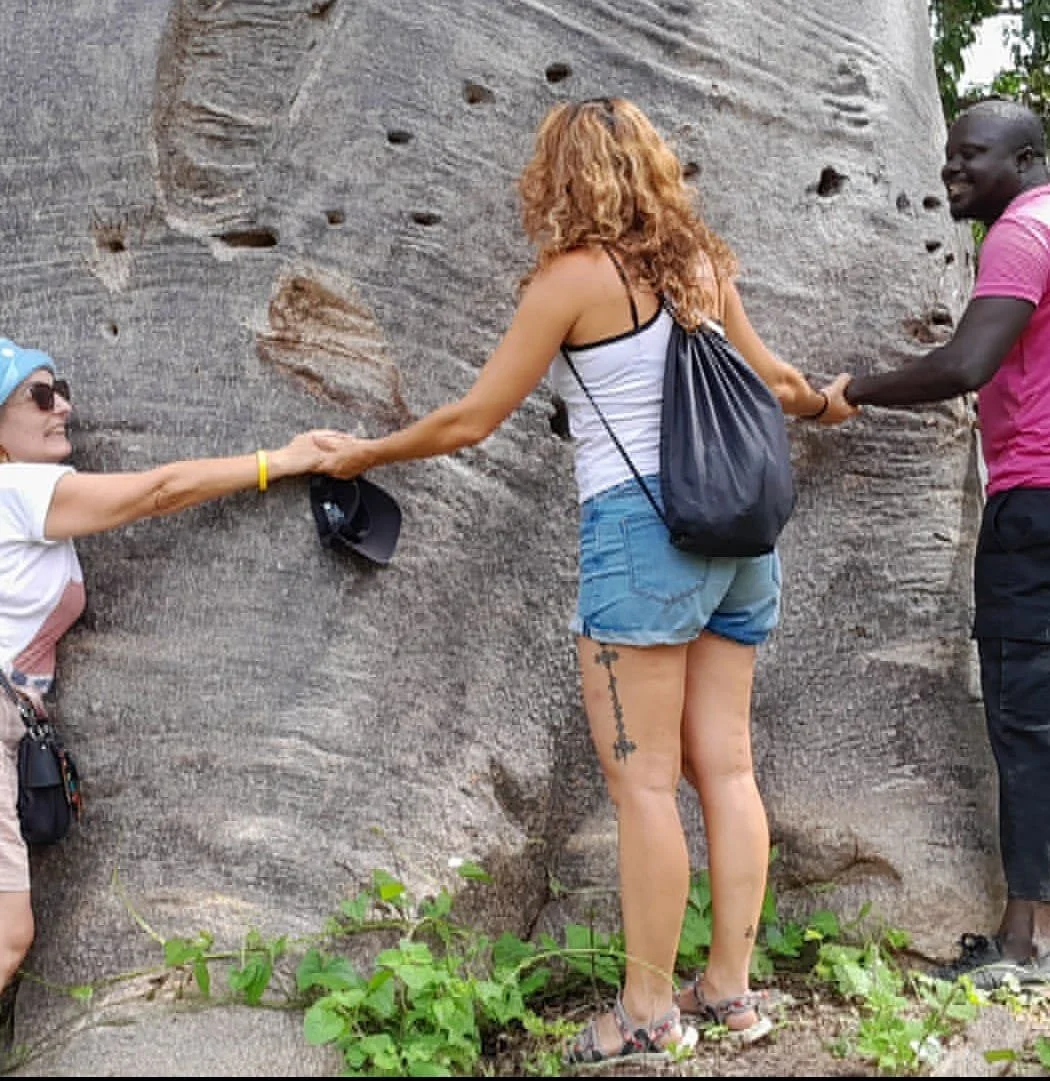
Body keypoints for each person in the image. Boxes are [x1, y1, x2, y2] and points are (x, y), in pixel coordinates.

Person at [315, 96, 855, 1063]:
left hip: (643, 537)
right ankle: (731, 989)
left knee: (644, 783)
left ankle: (648, 1012)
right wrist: (830, 401)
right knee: (727, 766)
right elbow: (776, 382)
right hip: (741, 537)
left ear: (561, 177)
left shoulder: (571, 281)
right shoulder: (703, 266)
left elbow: (472, 419)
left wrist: (368, 452)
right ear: (654, 167)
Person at [0, 338, 347, 1041]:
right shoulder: (19, 491)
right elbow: (158, 492)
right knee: (8, 935)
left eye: (58, 386)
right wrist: (277, 461)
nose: (63, 404)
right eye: (39, 395)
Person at [822, 97, 1050, 989]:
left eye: (972, 157)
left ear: (1026, 158)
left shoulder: (1021, 235)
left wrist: (853, 389)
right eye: (950, 156)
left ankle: (1025, 943)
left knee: (1024, 716)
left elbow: (965, 365)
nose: (952, 172)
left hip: (1033, 504)